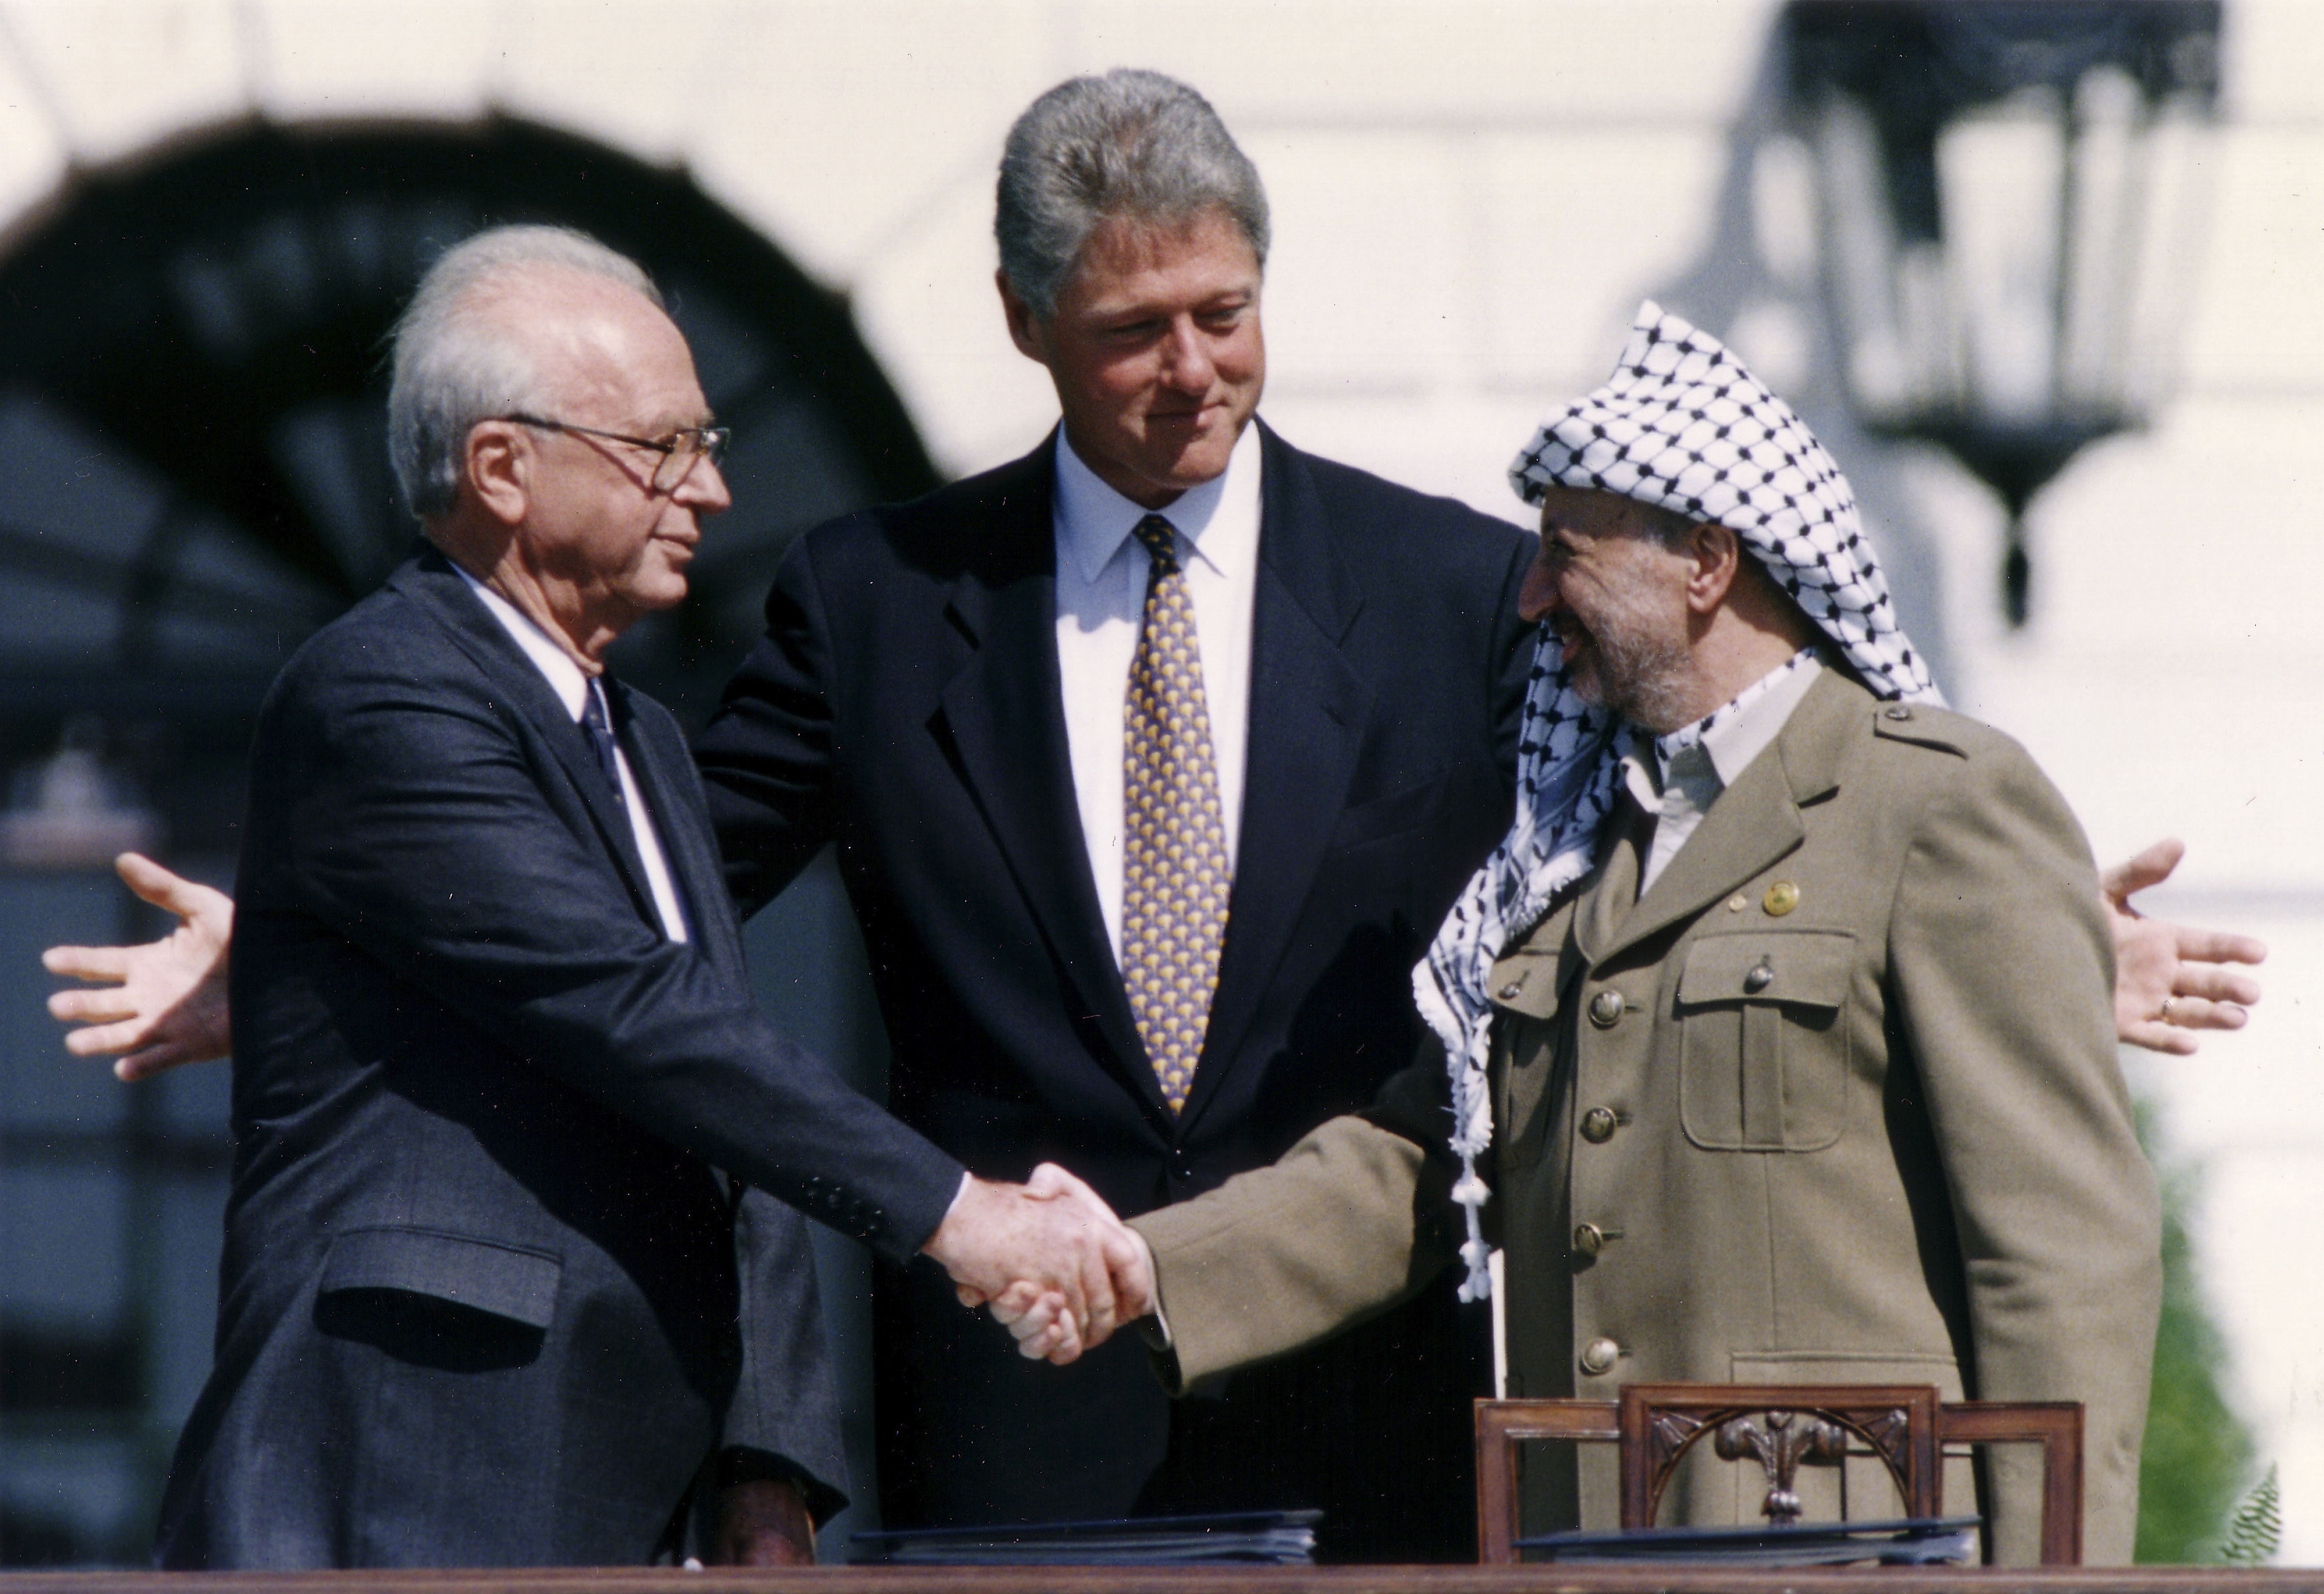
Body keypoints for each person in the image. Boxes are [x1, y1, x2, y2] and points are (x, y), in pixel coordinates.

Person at [45, 71, 2259, 1560]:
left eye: (1225, 313)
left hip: (1391, 1418)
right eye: (1131, 332)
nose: (1189, 368)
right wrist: (311, 943)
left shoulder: (1445, 582)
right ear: (1024, 325)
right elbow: (644, 920)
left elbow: (1656, 859)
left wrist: (2025, 941)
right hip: (1018, 1424)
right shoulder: (873, 599)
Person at [1049, 305, 2165, 1565]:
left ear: (1705, 561)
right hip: (1585, 1552)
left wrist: (2054, 1584)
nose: (1531, 600)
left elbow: (2063, 1258)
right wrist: (1145, 1266)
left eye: (1564, 555)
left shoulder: (1936, 805)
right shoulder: (1569, 849)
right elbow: (1420, 1165)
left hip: (1844, 1561)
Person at [143, 223, 1146, 1569]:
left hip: (628, 1485)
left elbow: (717, 1092)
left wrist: (768, 1456)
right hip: (411, 1468)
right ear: (503, 465)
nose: (712, 489)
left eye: (708, 441)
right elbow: (630, 1012)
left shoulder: (646, 742)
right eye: (663, 446)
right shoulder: (377, 690)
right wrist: (956, 1210)